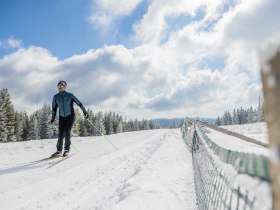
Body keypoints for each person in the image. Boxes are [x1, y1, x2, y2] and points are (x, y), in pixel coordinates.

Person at [50, 80, 89, 157]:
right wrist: (52, 118)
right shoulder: (56, 97)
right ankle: (58, 151)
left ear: (64, 87)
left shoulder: (70, 95)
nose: (59, 88)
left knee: (67, 132)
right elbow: (54, 109)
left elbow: (79, 103)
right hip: (61, 117)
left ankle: (66, 150)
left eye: (61, 86)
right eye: (58, 87)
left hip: (70, 117)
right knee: (60, 134)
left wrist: (85, 112)